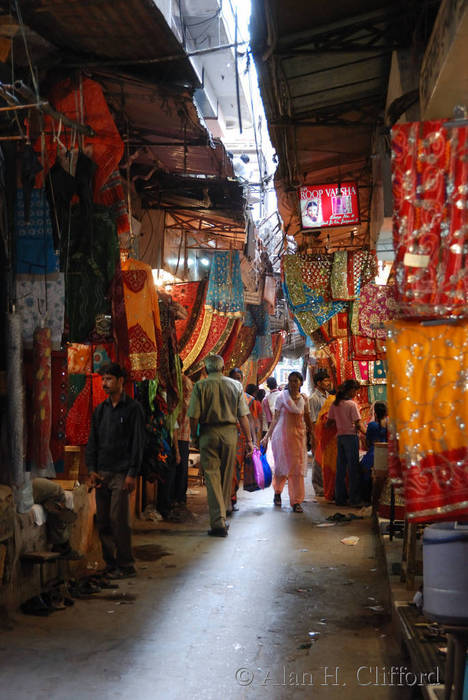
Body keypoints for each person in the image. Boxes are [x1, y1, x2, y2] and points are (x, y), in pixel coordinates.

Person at [86, 362, 145, 578]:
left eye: (109, 379)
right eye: (103, 379)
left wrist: (132, 473)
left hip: (122, 472)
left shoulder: (133, 409)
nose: (105, 383)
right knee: (102, 520)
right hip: (102, 471)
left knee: (118, 519)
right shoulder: (100, 411)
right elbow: (93, 441)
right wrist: (91, 469)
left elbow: (138, 443)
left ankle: (126, 563)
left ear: (121, 381)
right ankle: (110, 563)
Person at [188, 355, 253, 537]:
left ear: (205, 370)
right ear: (223, 368)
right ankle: (222, 515)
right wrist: (249, 441)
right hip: (230, 433)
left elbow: (193, 416)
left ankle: (218, 521)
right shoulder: (236, 385)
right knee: (226, 476)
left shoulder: (200, 386)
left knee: (212, 476)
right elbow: (243, 416)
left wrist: (194, 436)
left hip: (208, 433)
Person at [261, 371, 313, 513]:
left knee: (297, 470)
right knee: (281, 467)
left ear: (301, 382)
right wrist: (267, 437)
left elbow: (307, 417)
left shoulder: (304, 399)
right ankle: (277, 492)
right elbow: (275, 419)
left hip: (299, 437)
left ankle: (296, 501)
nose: (293, 383)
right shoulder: (281, 397)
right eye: (291, 380)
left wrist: (312, 434)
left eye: (296, 380)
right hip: (282, 437)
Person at [326, 379, 366, 507]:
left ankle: (340, 498)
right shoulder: (351, 405)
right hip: (351, 437)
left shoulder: (335, 404)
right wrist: (368, 434)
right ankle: (354, 499)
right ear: (350, 390)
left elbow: (329, 423)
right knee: (353, 469)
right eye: (355, 390)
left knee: (341, 469)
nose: (355, 393)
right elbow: (358, 424)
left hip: (340, 438)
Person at [228, 369, 259, 513]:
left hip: (241, 440)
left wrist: (252, 441)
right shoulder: (225, 396)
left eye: (239, 378)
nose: (237, 381)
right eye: (234, 378)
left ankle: (231, 497)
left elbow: (251, 421)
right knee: (227, 469)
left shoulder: (248, 399)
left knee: (235, 469)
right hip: (226, 436)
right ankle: (227, 499)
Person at [32, 478, 81, 559]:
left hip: (24, 482)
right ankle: (62, 545)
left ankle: (62, 544)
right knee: (58, 494)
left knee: (54, 501)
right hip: (21, 485)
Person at [172, 372, 194, 511]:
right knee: (180, 468)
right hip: (181, 437)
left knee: (179, 469)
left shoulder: (183, 402)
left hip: (182, 437)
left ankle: (179, 497)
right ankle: (179, 498)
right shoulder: (183, 402)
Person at [308, 370, 332, 497]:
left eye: (328, 380)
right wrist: (313, 436)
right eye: (326, 381)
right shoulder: (313, 398)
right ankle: (318, 487)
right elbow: (312, 418)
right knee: (317, 460)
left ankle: (326, 485)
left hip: (328, 433)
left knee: (326, 459)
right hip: (318, 432)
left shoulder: (329, 397)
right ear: (318, 383)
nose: (328, 383)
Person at [360, 402, 388, 504]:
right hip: (386, 454)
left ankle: (366, 498)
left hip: (373, 453)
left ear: (375, 414)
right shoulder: (388, 424)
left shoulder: (372, 425)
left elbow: (368, 442)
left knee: (363, 468)